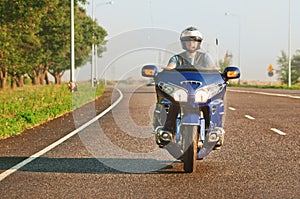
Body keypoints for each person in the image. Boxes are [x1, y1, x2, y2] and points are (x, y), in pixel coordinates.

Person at [162, 27, 216, 134]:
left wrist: (217, 72)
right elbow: (170, 67)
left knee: (208, 103)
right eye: (188, 41)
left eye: (195, 41)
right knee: (174, 102)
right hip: (182, 87)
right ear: (183, 43)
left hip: (200, 87)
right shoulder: (177, 58)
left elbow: (212, 68)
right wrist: (165, 72)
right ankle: (168, 130)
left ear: (199, 43)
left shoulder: (205, 57)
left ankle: (210, 130)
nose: (191, 43)